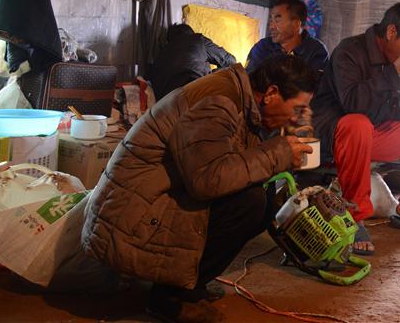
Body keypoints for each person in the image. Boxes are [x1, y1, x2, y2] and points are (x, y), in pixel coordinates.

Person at [83, 56, 318, 323]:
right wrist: (277, 153)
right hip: (128, 219)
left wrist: (279, 155)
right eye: (297, 108)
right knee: (249, 204)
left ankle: (189, 284)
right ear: (272, 93)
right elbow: (207, 179)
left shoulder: (239, 100)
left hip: (152, 201)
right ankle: (169, 297)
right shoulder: (218, 101)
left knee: (263, 199)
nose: (296, 117)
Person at [310, 2, 400, 256]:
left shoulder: (397, 60)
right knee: (357, 123)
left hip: (373, 132)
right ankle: (353, 214)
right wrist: (394, 72)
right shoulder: (349, 51)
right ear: (392, 32)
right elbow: (353, 103)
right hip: (336, 133)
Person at [148, 23, 235, 100]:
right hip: (195, 94)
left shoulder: (160, 56)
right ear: (191, 33)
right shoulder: (197, 39)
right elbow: (230, 61)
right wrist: (214, 74)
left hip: (166, 106)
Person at [246, 0, 329, 74]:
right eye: (271, 20)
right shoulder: (263, 46)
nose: (271, 26)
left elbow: (314, 86)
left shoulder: (316, 51)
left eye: (277, 20)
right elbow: (249, 80)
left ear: (296, 24)